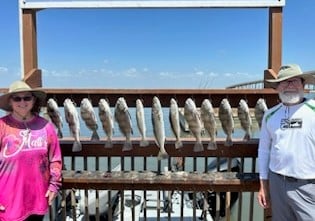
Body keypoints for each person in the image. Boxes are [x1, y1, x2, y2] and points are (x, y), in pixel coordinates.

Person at [257, 64, 315, 220]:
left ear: (303, 85)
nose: (290, 85)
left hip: (309, 186)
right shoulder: (269, 114)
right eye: (284, 81)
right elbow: (263, 151)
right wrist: (263, 186)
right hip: (277, 184)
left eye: (294, 81)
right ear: (277, 87)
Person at [0, 80, 62, 221]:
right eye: (17, 98)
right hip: (8, 201)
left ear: (33, 100)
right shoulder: (1, 126)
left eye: (27, 97)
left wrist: (54, 185)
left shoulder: (46, 126)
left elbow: (55, 159)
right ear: (10, 102)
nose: (22, 102)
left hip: (38, 198)